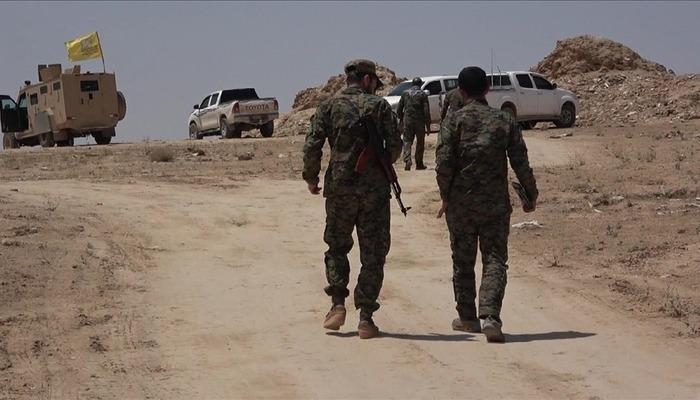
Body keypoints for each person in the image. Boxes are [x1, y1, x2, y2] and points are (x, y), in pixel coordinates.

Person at [435, 66, 538, 343]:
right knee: (494, 259)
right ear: (488, 90)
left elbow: (443, 164)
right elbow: (520, 161)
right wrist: (530, 194)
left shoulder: (453, 121)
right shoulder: (504, 120)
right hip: (495, 205)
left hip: (461, 205)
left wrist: (445, 195)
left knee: (463, 259)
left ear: (461, 91)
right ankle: (491, 317)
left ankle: (468, 318)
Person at [302, 59, 402, 339]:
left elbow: (312, 144)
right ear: (368, 80)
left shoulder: (329, 107)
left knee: (337, 247)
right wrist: (379, 162)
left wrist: (311, 177)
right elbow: (396, 146)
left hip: (339, 189)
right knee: (374, 254)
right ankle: (366, 318)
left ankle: (337, 305)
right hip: (374, 193)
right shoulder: (380, 106)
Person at [396, 77, 431, 171]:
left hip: (408, 120)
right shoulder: (423, 94)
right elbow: (426, 111)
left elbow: (399, 108)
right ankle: (419, 163)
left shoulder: (405, 93)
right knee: (420, 142)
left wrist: (401, 119)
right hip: (420, 122)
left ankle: (407, 160)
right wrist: (428, 125)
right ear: (420, 84)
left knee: (407, 141)